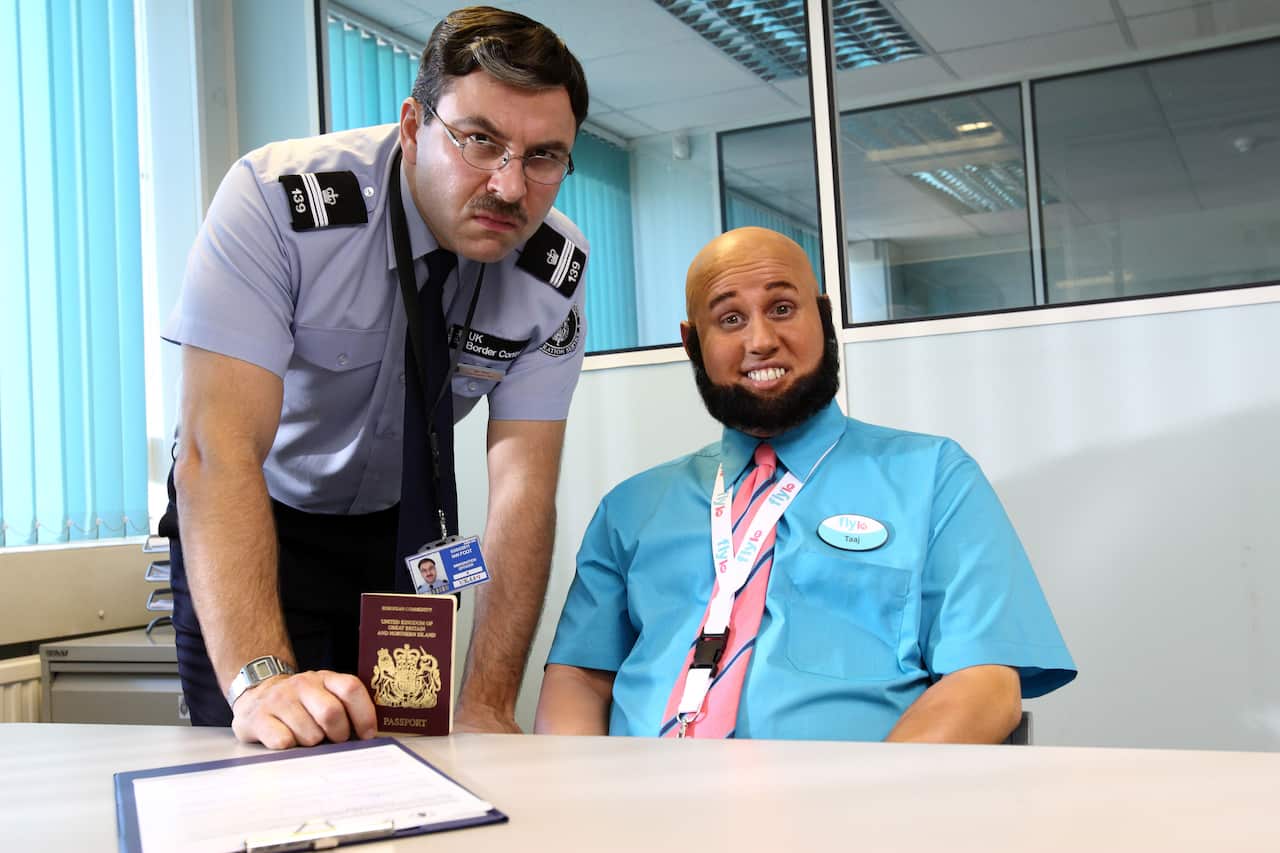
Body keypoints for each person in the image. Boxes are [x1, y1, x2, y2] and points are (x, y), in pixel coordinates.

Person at [161, 7, 590, 748]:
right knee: (263, 757)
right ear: (416, 124)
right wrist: (264, 682)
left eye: (544, 156)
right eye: (480, 140)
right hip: (258, 522)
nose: (511, 187)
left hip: (400, 537)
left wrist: (488, 701)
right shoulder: (276, 201)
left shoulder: (552, 269)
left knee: (411, 762)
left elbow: (525, 485)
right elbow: (215, 448)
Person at [536, 227, 1076, 742]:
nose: (761, 340)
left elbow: (987, 684)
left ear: (823, 316)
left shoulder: (933, 476)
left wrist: (859, 818)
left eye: (782, 308)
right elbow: (581, 678)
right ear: (692, 343)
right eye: (728, 319)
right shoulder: (631, 507)